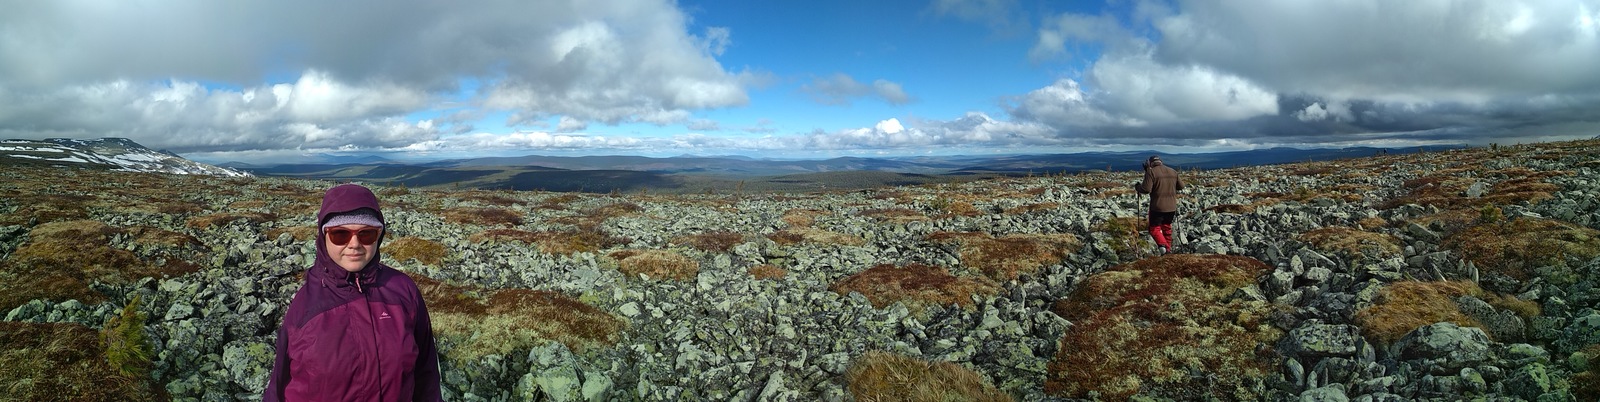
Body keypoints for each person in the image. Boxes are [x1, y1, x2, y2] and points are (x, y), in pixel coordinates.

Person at [265, 183, 442, 401]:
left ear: (379, 235)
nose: (354, 244)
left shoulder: (404, 290)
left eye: (366, 234)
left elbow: (427, 374)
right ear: (323, 237)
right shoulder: (305, 305)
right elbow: (279, 385)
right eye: (340, 234)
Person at [1135, 155, 1184, 254]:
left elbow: (1146, 189)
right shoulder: (1173, 171)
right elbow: (1181, 186)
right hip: (1171, 207)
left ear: (1150, 163)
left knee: (1154, 228)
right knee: (1166, 227)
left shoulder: (1151, 172)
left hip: (1157, 207)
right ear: (1161, 162)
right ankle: (1168, 249)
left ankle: (1163, 248)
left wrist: (1138, 187)